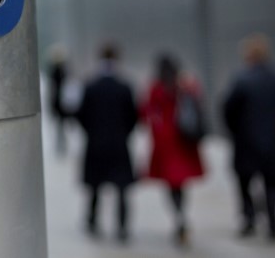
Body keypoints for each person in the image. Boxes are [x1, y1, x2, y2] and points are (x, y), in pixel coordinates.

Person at [223, 34, 275, 240]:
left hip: (246, 142)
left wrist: (236, 131)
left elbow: (228, 111)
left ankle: (249, 218)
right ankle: (273, 220)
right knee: (272, 183)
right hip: (273, 141)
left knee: (244, 182)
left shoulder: (240, 80)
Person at [75, 43, 137, 241]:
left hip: (96, 143)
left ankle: (92, 221)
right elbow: (133, 116)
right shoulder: (124, 87)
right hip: (119, 144)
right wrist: (123, 133)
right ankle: (122, 227)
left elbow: (81, 114)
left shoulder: (90, 86)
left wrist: (92, 132)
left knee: (94, 186)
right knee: (122, 189)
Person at [141, 54, 205, 246]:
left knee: (171, 184)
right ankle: (181, 214)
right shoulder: (185, 84)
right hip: (183, 140)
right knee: (180, 183)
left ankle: (178, 215)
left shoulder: (156, 87)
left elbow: (146, 112)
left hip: (165, 141)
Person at [47, 44, 69, 155]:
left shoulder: (56, 71)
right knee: (60, 126)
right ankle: (61, 146)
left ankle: (61, 146)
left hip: (60, 102)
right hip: (61, 103)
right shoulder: (60, 71)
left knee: (60, 126)